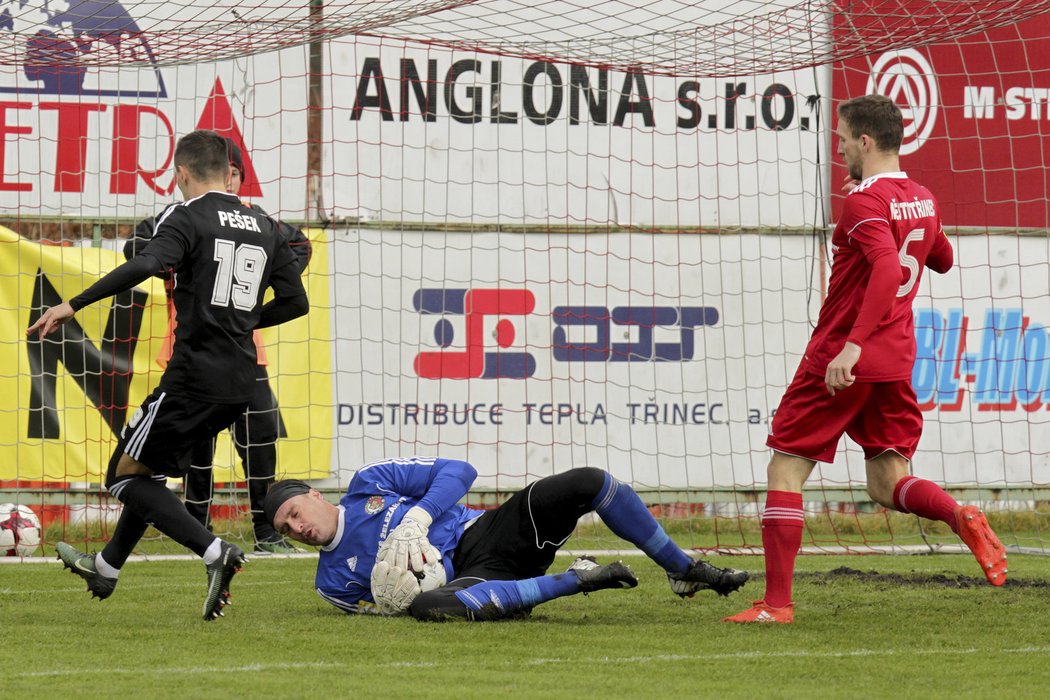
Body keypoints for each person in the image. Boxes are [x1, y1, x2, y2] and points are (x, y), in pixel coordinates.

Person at [724, 95, 1008, 625]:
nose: (840, 150)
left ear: (866, 142)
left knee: (785, 468)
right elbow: (942, 258)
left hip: (842, 359)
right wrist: (916, 231)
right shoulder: (922, 197)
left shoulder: (862, 202)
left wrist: (851, 347)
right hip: (895, 363)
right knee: (886, 482)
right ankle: (959, 513)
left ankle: (777, 606)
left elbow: (883, 268)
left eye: (843, 140)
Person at [29, 129, 309, 620]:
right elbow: (296, 302)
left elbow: (145, 262)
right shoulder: (264, 224)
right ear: (230, 173)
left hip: (192, 376)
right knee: (149, 471)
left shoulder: (186, 214)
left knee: (120, 476)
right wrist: (242, 322)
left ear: (180, 173)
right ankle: (107, 567)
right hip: (242, 381)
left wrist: (73, 304)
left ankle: (215, 551)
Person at [263, 458, 750, 621]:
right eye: (287, 530)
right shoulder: (329, 583)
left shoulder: (370, 484)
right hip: (474, 580)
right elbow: (384, 608)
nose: (297, 529)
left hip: (492, 531)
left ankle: (683, 570)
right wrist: (402, 590)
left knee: (589, 481)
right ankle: (576, 580)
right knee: (431, 609)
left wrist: (418, 516)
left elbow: (460, 471)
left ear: (312, 494)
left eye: (293, 513)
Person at [124, 139, 311, 554]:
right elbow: (136, 247)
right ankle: (196, 526)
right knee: (195, 450)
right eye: (228, 171)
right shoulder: (184, 219)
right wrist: (182, 267)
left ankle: (265, 532)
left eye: (237, 172)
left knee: (260, 439)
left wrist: (254, 290)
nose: (232, 178)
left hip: (247, 354)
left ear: (238, 178)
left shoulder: (260, 223)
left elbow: (299, 246)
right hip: (189, 350)